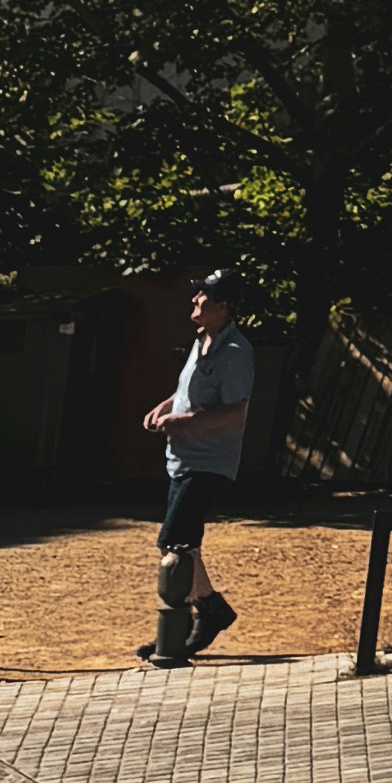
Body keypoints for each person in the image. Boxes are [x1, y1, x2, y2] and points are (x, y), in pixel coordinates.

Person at [137, 264, 258, 659]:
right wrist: (163, 408)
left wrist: (181, 422)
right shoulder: (200, 341)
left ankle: (203, 614)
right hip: (182, 458)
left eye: (203, 295)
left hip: (210, 462)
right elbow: (184, 391)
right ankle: (199, 617)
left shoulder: (237, 352)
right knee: (183, 544)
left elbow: (236, 412)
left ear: (223, 306)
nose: (194, 300)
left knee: (173, 542)